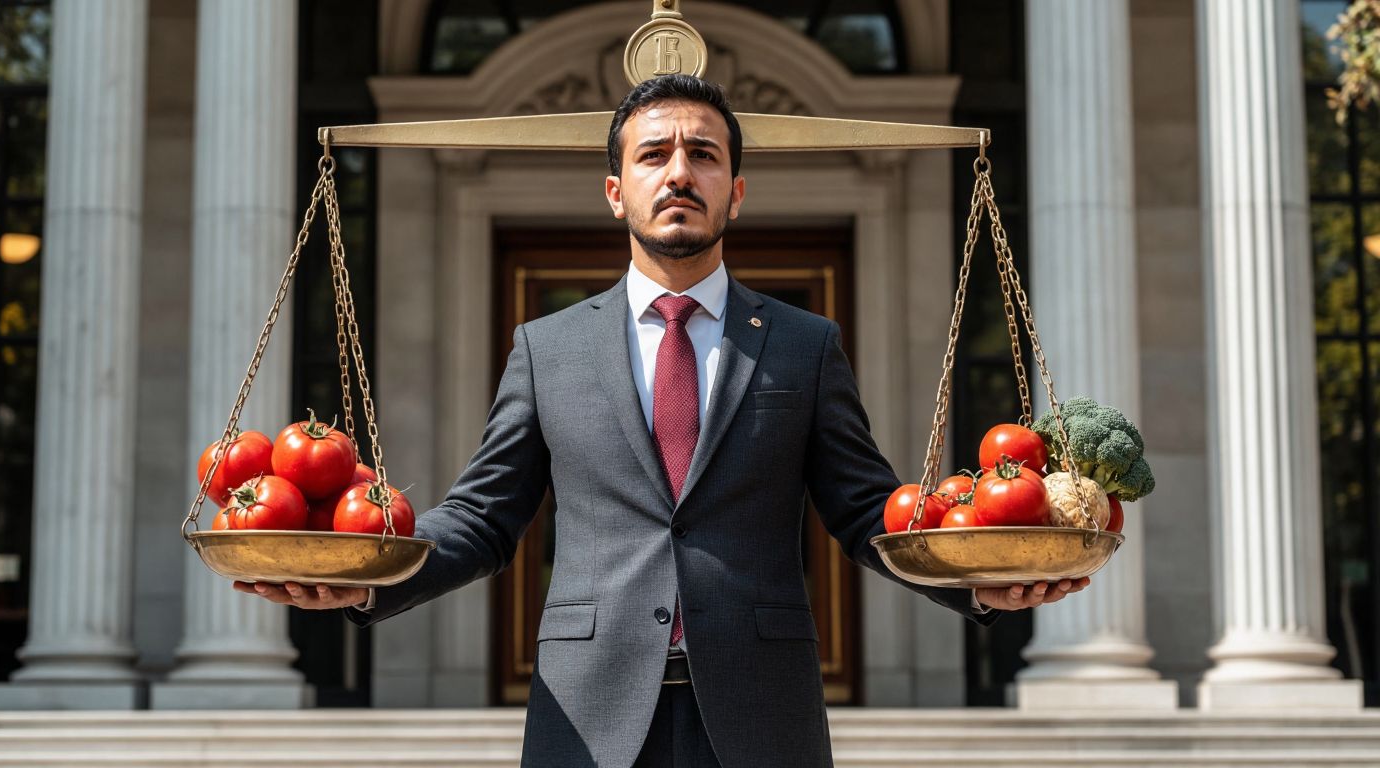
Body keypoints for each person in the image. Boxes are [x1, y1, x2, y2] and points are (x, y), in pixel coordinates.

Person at [237, 74, 1089, 768]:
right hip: (590, 708)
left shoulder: (803, 345)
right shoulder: (548, 348)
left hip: (761, 713)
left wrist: (973, 582)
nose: (678, 172)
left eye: (703, 155)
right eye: (654, 154)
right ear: (617, 190)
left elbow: (871, 515)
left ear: (736, 190)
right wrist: (373, 578)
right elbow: (486, 519)